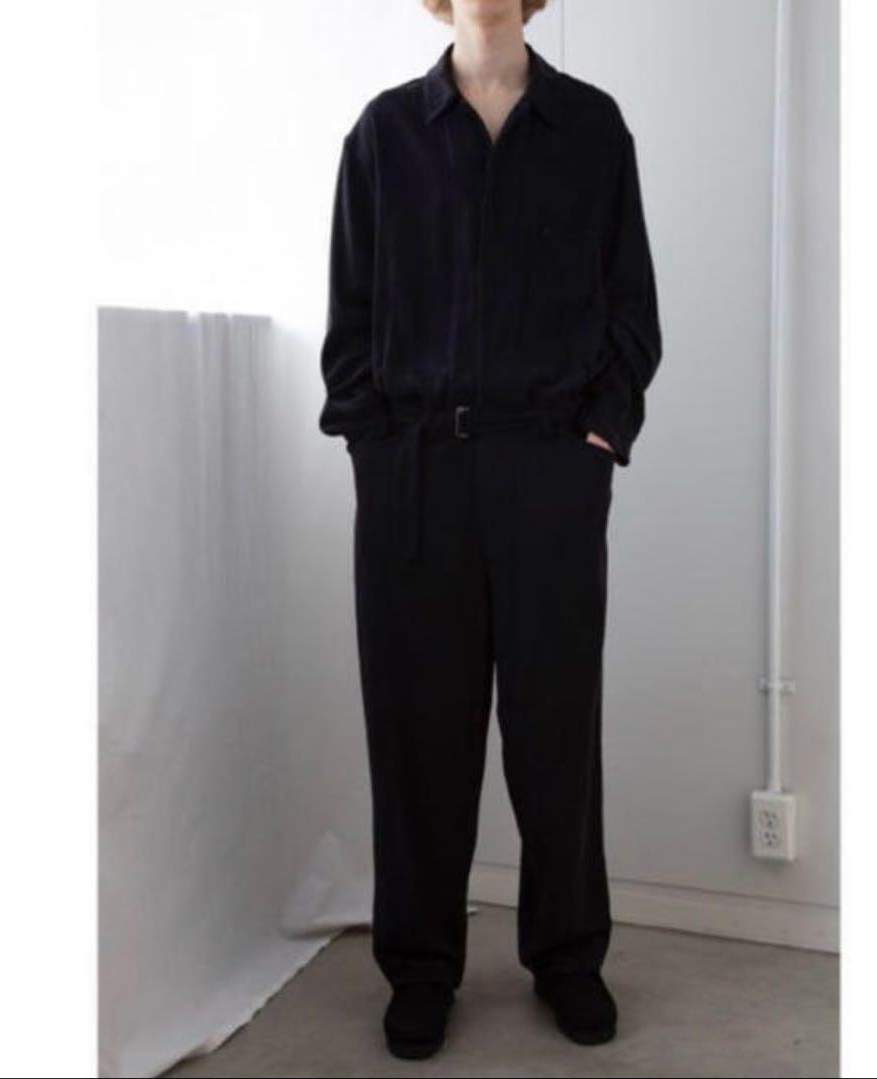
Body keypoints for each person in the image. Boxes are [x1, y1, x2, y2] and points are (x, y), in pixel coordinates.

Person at [318, 0, 662, 1059]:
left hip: (552, 469)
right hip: (417, 476)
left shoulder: (592, 129)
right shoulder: (384, 135)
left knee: (557, 725)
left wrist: (596, 440)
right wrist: (378, 452)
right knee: (418, 730)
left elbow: (631, 313)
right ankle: (421, 967)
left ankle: (568, 957)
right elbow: (350, 324)